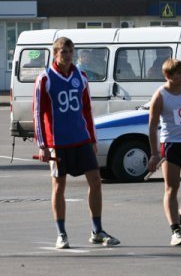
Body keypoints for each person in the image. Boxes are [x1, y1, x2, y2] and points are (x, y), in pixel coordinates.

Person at [33, 37, 120, 249]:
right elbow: (37, 113)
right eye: (64, 52)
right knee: (59, 186)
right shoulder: (45, 79)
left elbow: (87, 110)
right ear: (55, 54)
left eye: (71, 51)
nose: (68, 55)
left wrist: (92, 138)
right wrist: (43, 145)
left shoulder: (80, 76)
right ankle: (61, 233)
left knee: (96, 181)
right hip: (58, 142)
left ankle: (97, 230)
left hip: (81, 139)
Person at [147, 58, 181, 246]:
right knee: (172, 189)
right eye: (177, 73)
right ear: (168, 76)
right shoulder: (161, 96)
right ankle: (175, 230)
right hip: (171, 145)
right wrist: (155, 153)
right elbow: (153, 125)